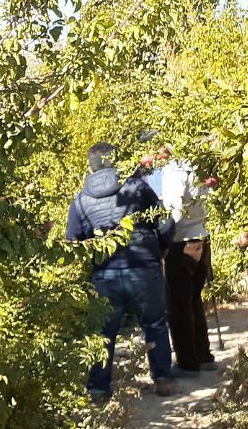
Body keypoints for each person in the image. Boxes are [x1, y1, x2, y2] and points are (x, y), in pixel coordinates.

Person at [65, 142, 178, 402]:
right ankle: (163, 380)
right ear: (116, 160)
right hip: (144, 268)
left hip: (105, 276)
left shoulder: (81, 201)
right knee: (155, 325)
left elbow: (73, 242)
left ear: (89, 166)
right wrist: (159, 251)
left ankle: (98, 390)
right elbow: (164, 221)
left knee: (103, 334)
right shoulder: (137, 188)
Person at [154, 145, 217, 375]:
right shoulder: (196, 164)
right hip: (202, 237)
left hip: (182, 242)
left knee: (179, 303)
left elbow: (175, 210)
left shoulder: (174, 171)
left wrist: (163, 238)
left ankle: (188, 362)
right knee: (194, 299)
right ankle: (204, 355)